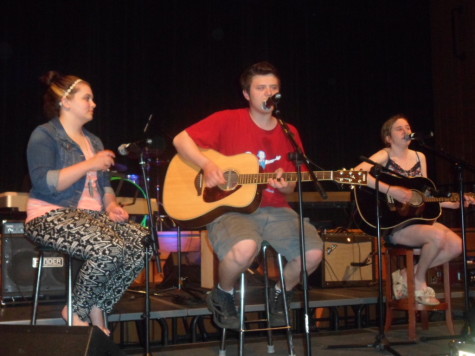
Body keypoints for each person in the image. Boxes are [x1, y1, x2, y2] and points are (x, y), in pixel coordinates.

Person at [172, 61, 323, 330]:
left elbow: (291, 187)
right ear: (246, 94)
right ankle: (223, 293)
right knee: (244, 249)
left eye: (273, 88)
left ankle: (281, 293)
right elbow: (180, 140)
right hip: (231, 211)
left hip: (277, 209)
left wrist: (282, 184)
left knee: (312, 254)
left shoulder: (290, 132)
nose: (268, 93)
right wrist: (207, 165)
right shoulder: (227, 119)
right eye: (260, 88)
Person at [25, 71, 149, 335]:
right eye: (87, 98)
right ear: (65, 102)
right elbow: (45, 183)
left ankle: (97, 308)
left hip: (92, 218)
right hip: (50, 215)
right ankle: (76, 309)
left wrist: (112, 205)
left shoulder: (94, 141)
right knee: (110, 248)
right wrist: (90, 163)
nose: (93, 104)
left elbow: (105, 188)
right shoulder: (44, 135)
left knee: (143, 243)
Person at [354, 114, 474, 305]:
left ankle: (406, 274)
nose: (405, 131)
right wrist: (392, 190)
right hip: (395, 224)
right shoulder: (385, 154)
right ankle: (418, 281)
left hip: (418, 221)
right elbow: (355, 174)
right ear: (388, 137)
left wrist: (451, 202)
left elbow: (424, 196)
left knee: (456, 245)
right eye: (399, 128)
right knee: (436, 237)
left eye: (407, 127)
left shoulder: (420, 157)